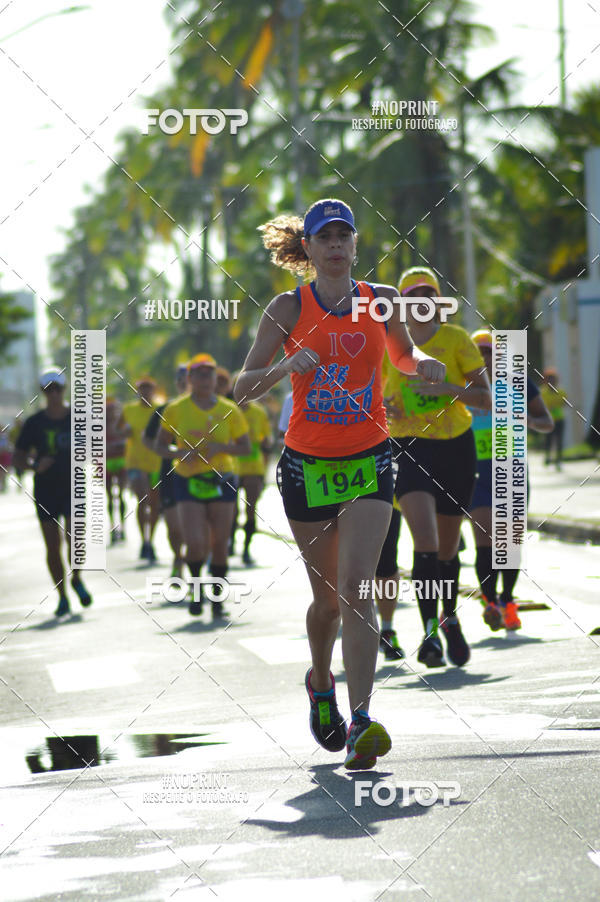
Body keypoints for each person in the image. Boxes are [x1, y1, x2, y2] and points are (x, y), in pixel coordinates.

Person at [234, 199, 445, 770]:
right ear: (308, 247)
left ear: (355, 245)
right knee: (326, 602)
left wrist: (422, 362)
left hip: (370, 456)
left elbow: (401, 354)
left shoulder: (383, 301)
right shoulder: (286, 307)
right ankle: (321, 683)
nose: (334, 245)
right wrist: (282, 367)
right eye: (323, 237)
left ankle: (362, 720)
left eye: (343, 236)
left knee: (357, 590)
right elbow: (241, 387)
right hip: (307, 464)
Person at [377, 266, 491, 669]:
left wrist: (448, 390)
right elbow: (366, 394)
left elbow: (486, 398)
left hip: (456, 448)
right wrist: (382, 406)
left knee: (446, 548)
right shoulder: (386, 342)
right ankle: (428, 634)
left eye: (428, 294)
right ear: (401, 304)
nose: (420, 301)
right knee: (422, 541)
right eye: (412, 295)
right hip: (407, 446)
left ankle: (449, 618)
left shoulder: (456, 339)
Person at [468, 330, 554, 629]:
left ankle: (507, 601)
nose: (483, 359)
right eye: (476, 353)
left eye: (488, 352)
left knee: (510, 541)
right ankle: (490, 602)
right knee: (484, 540)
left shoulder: (516, 383)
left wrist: (527, 420)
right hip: (476, 471)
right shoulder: (464, 387)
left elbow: (547, 422)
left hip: (512, 468)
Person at [155, 353, 250, 618]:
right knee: (195, 542)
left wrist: (222, 447)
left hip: (222, 479)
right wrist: (180, 453)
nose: (205, 379)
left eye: (210, 373)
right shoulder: (175, 409)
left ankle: (217, 598)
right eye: (199, 374)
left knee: (220, 542)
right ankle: (196, 591)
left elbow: (245, 447)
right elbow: (160, 445)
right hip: (187, 478)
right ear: (189, 379)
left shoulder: (229, 410)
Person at [13, 368, 92, 616]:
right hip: (46, 489)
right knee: (52, 545)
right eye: (49, 389)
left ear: (64, 389)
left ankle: (76, 578)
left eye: (58, 388)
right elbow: (18, 458)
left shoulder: (78, 417)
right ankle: (62, 596)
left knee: (76, 538)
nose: (54, 393)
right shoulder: (34, 423)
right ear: (43, 392)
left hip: (74, 486)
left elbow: (93, 447)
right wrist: (35, 465)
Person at [142, 364, 189, 578]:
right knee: (174, 527)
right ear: (177, 384)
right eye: (181, 381)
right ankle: (178, 558)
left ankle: (196, 564)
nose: (185, 385)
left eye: (188, 380)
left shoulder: (212, 408)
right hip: (170, 474)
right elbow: (147, 438)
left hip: (200, 474)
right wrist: (169, 452)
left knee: (199, 525)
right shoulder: (164, 410)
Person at [119, 377, 162, 562]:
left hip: (156, 463)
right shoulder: (129, 410)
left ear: (153, 390)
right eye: (141, 389)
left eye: (148, 389)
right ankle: (143, 539)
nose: (145, 392)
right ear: (137, 391)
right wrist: (125, 433)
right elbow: (117, 428)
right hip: (135, 462)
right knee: (142, 498)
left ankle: (149, 541)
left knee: (154, 504)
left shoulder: (161, 410)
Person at [233, 398, 273, 564]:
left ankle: (246, 548)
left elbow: (266, 443)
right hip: (231, 466)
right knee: (232, 510)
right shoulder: (229, 410)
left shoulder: (259, 412)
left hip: (254, 467)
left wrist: (265, 470)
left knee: (251, 509)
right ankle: (229, 541)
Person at [105, 399, 128, 542]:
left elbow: (128, 442)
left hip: (121, 461)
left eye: (113, 410)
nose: (111, 413)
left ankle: (123, 526)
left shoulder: (122, 425)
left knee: (120, 495)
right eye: (108, 410)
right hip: (106, 462)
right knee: (109, 497)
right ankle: (113, 526)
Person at [541, 368, 567, 469]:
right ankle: (547, 456)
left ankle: (559, 460)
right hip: (547, 420)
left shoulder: (561, 391)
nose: (551, 381)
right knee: (548, 440)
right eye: (549, 379)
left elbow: (564, 403)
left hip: (559, 419)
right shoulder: (542, 392)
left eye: (553, 379)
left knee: (559, 440)